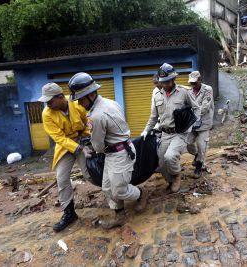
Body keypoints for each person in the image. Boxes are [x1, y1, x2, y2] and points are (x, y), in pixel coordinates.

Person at [68, 72, 148, 229]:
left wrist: (90, 149)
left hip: (119, 153)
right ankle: (119, 214)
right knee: (106, 187)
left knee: (119, 191)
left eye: (80, 99)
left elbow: (97, 146)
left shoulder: (96, 116)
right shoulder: (110, 102)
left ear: (90, 95)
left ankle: (140, 193)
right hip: (117, 150)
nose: (79, 104)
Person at [39, 83, 91, 232]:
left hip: (83, 141)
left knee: (90, 174)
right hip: (65, 146)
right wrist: (78, 148)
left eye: (50, 101)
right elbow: (58, 138)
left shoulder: (77, 102)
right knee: (61, 178)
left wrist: (89, 141)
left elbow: (89, 122)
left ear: (61, 97)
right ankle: (69, 213)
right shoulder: (47, 114)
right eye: (46, 102)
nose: (47, 104)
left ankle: (114, 197)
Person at [141, 63, 200, 192]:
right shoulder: (157, 96)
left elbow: (196, 108)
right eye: (163, 82)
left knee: (170, 156)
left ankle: (177, 175)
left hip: (180, 133)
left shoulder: (184, 92)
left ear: (173, 79)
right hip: (165, 134)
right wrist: (146, 130)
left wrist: (191, 124)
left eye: (168, 81)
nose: (165, 85)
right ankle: (171, 180)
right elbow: (153, 117)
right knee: (161, 163)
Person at [186, 71, 214, 178]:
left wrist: (191, 114)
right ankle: (197, 155)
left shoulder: (208, 90)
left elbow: (205, 107)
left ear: (200, 80)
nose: (193, 85)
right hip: (192, 124)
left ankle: (199, 165)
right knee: (188, 143)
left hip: (204, 123)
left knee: (202, 146)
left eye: (195, 83)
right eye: (191, 83)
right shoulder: (189, 91)